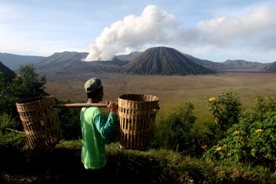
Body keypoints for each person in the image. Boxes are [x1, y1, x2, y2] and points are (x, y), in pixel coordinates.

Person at [80, 77, 119, 184]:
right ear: (99, 92)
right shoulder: (96, 112)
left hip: (86, 159)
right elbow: (104, 133)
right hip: (96, 162)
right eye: (102, 90)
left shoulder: (83, 109)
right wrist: (112, 113)